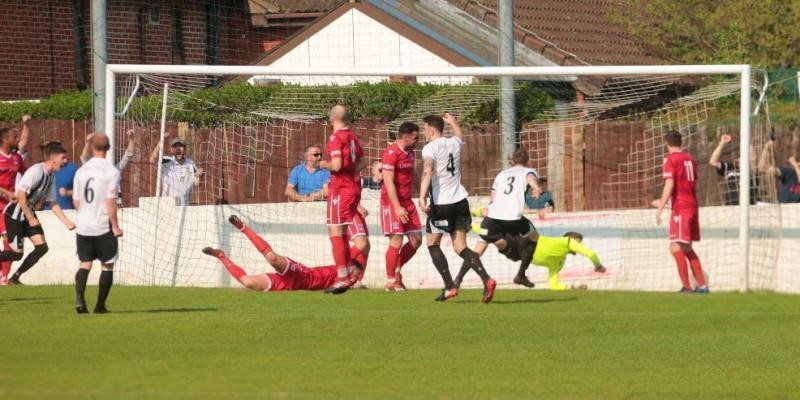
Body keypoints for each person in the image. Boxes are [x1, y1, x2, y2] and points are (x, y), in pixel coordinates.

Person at [419, 113, 495, 303]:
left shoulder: (429, 148)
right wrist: (453, 122)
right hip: (460, 200)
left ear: (430, 128)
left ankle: (450, 286)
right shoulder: (454, 142)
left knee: (433, 244)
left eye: (424, 128)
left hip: (442, 204)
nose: (423, 132)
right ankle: (487, 279)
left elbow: (427, 170)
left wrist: (421, 197)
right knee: (460, 246)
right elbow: (460, 136)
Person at [202, 215, 362, 292]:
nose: (358, 274)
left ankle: (221, 256)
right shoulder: (344, 268)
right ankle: (243, 227)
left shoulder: (346, 281)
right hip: (301, 274)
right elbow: (352, 249)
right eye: (357, 271)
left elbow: (352, 283)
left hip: (288, 285)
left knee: (248, 282)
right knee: (271, 257)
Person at [455, 148, 541, 288]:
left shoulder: (501, 174)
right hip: (514, 218)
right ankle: (521, 274)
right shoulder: (528, 171)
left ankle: (457, 280)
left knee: (477, 250)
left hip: (493, 217)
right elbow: (530, 178)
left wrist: (488, 212)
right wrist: (536, 187)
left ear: (512, 161)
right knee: (534, 237)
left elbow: (493, 198)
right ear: (527, 162)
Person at [5, 142, 76, 285]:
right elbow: (20, 196)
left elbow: (53, 203)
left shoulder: (51, 177)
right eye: (63, 158)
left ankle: (15, 278)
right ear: (53, 159)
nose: (65, 161)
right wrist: (31, 218)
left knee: (42, 248)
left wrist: (66, 222)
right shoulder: (36, 171)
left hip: (27, 215)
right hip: (15, 215)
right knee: (16, 254)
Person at [319, 105, 370, 294]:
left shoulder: (335, 137)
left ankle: (342, 277)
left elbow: (337, 165)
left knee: (335, 231)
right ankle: (348, 275)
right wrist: (350, 173)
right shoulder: (352, 136)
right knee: (343, 232)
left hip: (340, 189)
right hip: (353, 188)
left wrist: (323, 164)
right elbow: (363, 162)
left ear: (331, 119)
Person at [72, 134, 122, 314]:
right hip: (103, 225)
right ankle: (100, 305)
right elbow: (110, 201)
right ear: (108, 148)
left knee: (85, 263)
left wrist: (85, 213)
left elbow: (76, 202)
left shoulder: (81, 171)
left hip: (84, 225)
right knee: (107, 264)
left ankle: (80, 300)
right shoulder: (112, 171)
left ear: (92, 147)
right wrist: (115, 226)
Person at [652, 130, 708, 293]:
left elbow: (670, 184)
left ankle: (687, 286)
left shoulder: (670, 159)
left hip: (681, 208)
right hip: (691, 205)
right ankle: (702, 286)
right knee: (686, 247)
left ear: (666, 144)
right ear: (680, 142)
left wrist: (661, 207)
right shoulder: (690, 158)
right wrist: (669, 202)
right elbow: (687, 185)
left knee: (675, 247)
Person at [380, 122, 423, 291]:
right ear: (405, 137)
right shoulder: (391, 153)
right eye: (415, 137)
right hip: (391, 202)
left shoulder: (411, 153)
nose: (418, 140)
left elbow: (414, 174)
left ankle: (396, 269)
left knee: (416, 240)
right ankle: (391, 280)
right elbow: (388, 181)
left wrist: (421, 195)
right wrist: (397, 207)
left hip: (408, 201)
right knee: (396, 240)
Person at [0, 116, 29, 285]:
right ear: (5, 140)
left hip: (7, 208)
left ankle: (3, 278)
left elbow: (27, 177)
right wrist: (5, 191)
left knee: (9, 244)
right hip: (4, 201)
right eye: (13, 137)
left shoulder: (16, 158)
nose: (17, 139)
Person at [149, 135, 204, 206]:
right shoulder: (167, 161)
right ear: (171, 149)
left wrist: (199, 175)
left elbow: (197, 184)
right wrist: (161, 141)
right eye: (175, 146)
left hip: (184, 205)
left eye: (181, 146)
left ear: (185, 149)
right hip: (167, 204)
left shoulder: (191, 163)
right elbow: (152, 160)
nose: (178, 148)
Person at [708, 133, 758, 205]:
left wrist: (745, 137)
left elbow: (753, 158)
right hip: (731, 207)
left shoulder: (752, 170)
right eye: (741, 155)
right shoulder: (730, 167)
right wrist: (722, 143)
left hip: (748, 207)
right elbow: (713, 162)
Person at [759, 135, 800, 203]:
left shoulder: (795, 167)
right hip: (783, 207)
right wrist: (766, 148)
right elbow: (762, 168)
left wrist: (795, 165)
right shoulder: (788, 171)